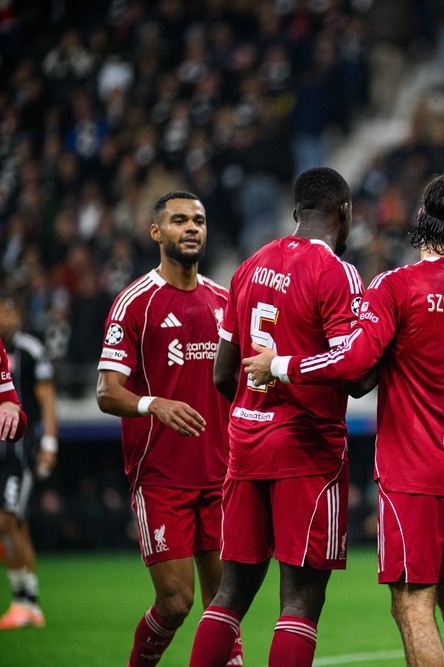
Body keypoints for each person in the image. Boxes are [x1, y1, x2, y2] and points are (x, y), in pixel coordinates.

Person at [243, 174, 444, 667]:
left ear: (421, 221)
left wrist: (280, 364)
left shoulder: (396, 285)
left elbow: (352, 361)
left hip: (416, 472)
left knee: (413, 605)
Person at [188, 167, 369, 667]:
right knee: (301, 600)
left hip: (245, 442)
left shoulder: (249, 266)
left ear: (295, 212)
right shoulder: (336, 272)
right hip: (307, 450)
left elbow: (224, 374)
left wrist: (258, 406)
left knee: (231, 593)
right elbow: (350, 371)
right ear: (344, 212)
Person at [95, 192, 241, 667]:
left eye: (198, 219)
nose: (192, 228)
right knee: (177, 603)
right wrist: (154, 403)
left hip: (220, 477)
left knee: (225, 605)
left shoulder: (225, 301)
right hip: (161, 479)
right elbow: (106, 391)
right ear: (156, 232)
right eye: (179, 220)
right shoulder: (135, 302)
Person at [0, 295, 58, 630]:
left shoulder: (29, 350)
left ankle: (26, 602)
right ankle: (26, 599)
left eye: (9, 310)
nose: (5, 318)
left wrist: (49, 443)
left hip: (20, 453)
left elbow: (46, 399)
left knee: (10, 519)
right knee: (12, 522)